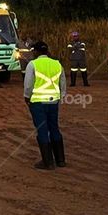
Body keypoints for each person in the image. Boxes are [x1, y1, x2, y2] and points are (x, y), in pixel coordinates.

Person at [24, 41, 66, 169]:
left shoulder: (33, 64)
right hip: (53, 102)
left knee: (42, 129)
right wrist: (61, 96)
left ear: (36, 52)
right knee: (54, 127)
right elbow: (62, 82)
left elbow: (29, 84)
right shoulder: (57, 64)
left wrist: (27, 97)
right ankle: (60, 160)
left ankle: (48, 162)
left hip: (38, 103)